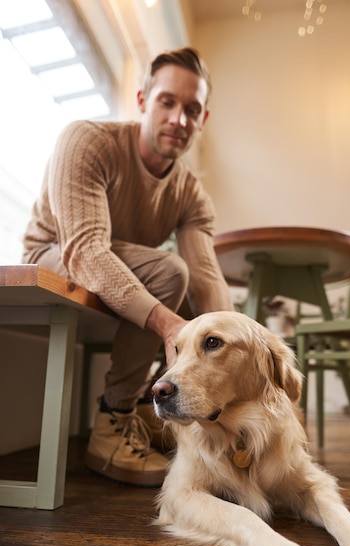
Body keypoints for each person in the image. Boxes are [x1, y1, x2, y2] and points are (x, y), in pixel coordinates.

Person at [22, 47, 233, 488]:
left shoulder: (191, 193)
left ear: (204, 119)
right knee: (169, 273)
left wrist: (233, 347)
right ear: (143, 100)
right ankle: (112, 424)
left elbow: (208, 279)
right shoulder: (87, 140)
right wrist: (167, 325)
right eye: (167, 102)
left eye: (191, 109)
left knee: (183, 279)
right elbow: (84, 250)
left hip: (121, 272)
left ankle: (143, 410)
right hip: (53, 253)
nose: (179, 119)